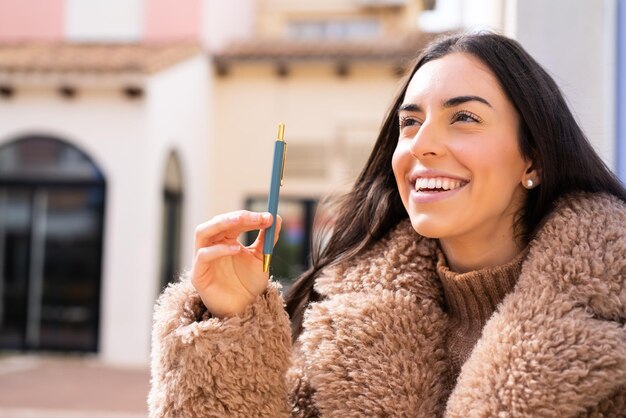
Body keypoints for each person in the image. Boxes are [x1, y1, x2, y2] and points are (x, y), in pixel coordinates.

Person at [148, 32, 626, 417]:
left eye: (463, 117)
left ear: (534, 159)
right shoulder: (337, 325)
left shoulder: (612, 316)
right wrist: (229, 325)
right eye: (410, 123)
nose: (421, 145)